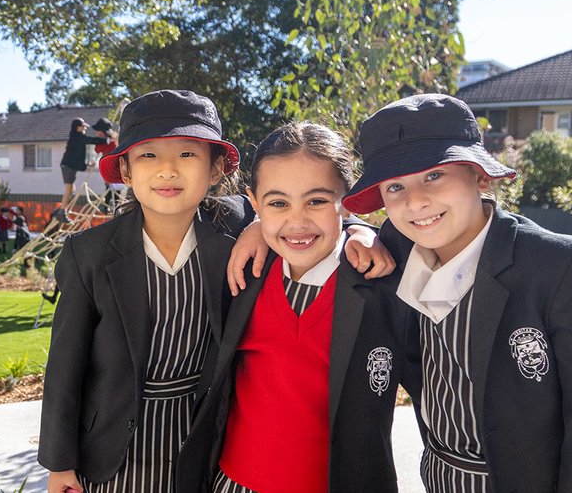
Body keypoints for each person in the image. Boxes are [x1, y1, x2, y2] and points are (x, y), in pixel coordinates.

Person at [39, 90, 391, 492]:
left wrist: (361, 230)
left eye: (187, 155)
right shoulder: (90, 253)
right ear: (125, 170)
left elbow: (302, 211)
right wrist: (59, 462)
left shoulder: (230, 230)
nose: (167, 170)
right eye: (148, 155)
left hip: (201, 436)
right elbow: (65, 367)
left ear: (216, 169)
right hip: (112, 448)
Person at [341, 94, 572, 492]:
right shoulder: (397, 246)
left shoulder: (555, 265)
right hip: (440, 476)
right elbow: (312, 228)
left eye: (434, 175)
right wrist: (356, 229)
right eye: (395, 186)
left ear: (479, 175)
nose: (416, 201)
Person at [176, 122, 407, 493]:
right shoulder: (245, 270)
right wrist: (256, 225)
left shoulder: (378, 279)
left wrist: (362, 229)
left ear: (346, 201)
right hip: (233, 483)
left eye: (316, 201)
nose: (297, 221)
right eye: (278, 203)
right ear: (255, 204)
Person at [55, 118, 115, 221]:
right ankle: (61, 212)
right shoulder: (77, 137)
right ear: (77, 128)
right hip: (68, 167)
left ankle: (63, 209)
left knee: (71, 190)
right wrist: (107, 140)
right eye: (83, 126)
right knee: (69, 190)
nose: (85, 128)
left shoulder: (77, 137)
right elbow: (91, 140)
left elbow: (76, 156)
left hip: (69, 165)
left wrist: (87, 164)